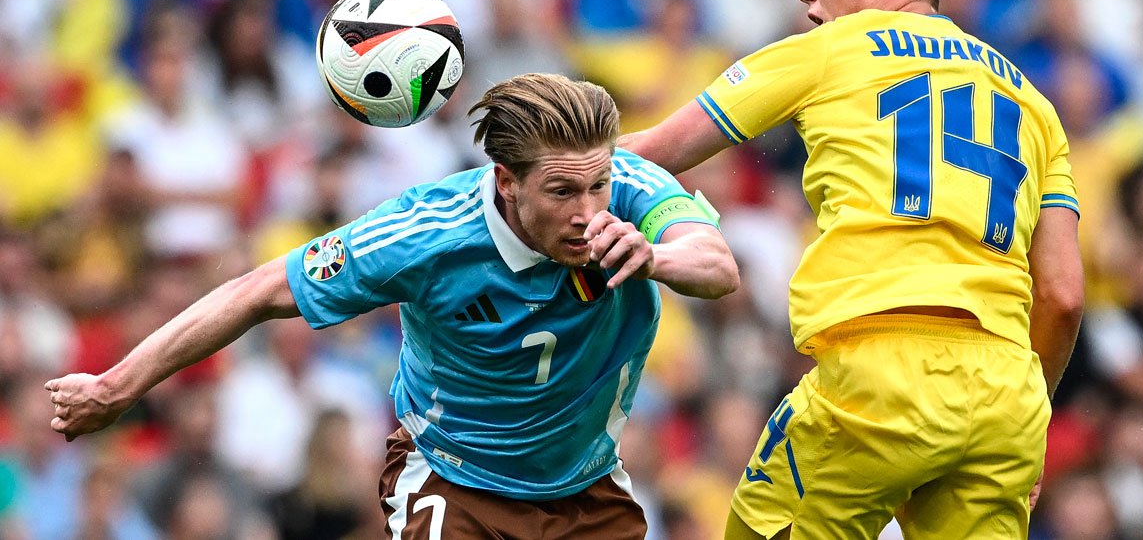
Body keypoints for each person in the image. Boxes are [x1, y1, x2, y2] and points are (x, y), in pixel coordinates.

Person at [45, 72, 740, 539]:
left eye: (597, 186)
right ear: (506, 181)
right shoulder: (423, 235)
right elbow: (256, 291)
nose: (589, 211)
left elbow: (717, 266)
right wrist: (116, 386)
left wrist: (654, 257)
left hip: (586, 488)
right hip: (455, 480)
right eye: (562, 192)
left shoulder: (628, 185)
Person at [619, 0, 1085, 540]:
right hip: (1009, 396)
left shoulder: (830, 49)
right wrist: (1032, 413)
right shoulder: (1036, 105)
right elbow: (1063, 294)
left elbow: (647, 155)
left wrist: (511, 173)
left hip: (881, 372)